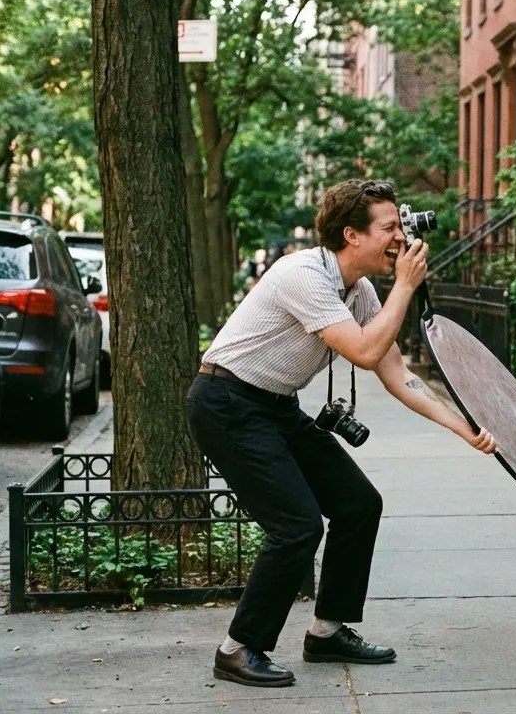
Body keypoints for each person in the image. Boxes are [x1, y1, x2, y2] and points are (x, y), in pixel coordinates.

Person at [186, 179, 497, 688]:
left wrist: (461, 427)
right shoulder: (303, 274)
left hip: (274, 405)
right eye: (390, 227)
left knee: (357, 503)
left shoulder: (360, 290)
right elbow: (365, 352)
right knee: (297, 525)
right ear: (351, 235)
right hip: (227, 403)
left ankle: (327, 632)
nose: (401, 236)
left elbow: (396, 373)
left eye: (401, 224)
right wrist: (405, 287)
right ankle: (239, 648)